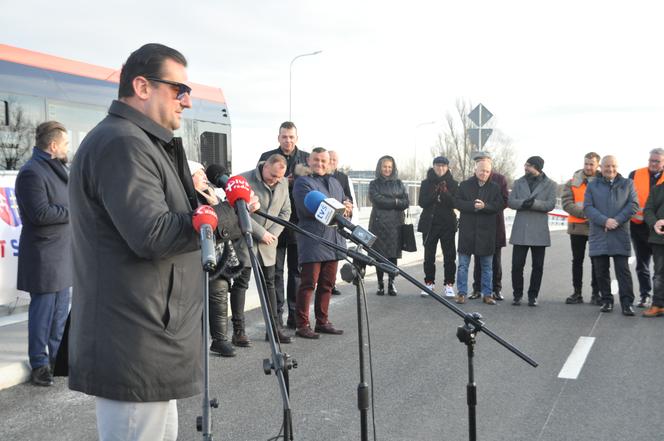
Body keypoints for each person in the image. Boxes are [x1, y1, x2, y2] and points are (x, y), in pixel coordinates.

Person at [68, 44, 250, 441]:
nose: (186, 100)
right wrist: (226, 219)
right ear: (142, 86)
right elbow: (151, 234)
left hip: (152, 334)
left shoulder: (144, 142)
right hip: (133, 339)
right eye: (178, 88)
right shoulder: (121, 143)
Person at [15, 121, 71, 387]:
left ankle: (57, 358)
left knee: (60, 313)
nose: (68, 148)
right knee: (43, 314)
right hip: (44, 256)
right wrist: (74, 212)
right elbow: (40, 214)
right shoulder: (31, 173)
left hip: (61, 254)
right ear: (53, 146)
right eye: (66, 143)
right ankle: (39, 364)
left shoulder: (59, 169)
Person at [292, 147, 349, 338]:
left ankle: (322, 322)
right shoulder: (302, 183)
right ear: (309, 161)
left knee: (328, 284)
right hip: (313, 240)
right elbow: (308, 209)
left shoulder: (335, 182)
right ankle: (302, 324)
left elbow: (342, 205)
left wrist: (347, 206)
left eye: (324, 161)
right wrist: (335, 208)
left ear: (329, 163)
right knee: (308, 284)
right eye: (316, 160)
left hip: (334, 240)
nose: (320, 164)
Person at [259, 122, 310, 329]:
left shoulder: (306, 159)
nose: (288, 140)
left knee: (297, 272)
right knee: (275, 272)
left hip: (298, 222)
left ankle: (295, 316)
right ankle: (276, 316)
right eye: (284, 137)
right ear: (278, 138)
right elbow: (259, 184)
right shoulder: (266, 157)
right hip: (274, 223)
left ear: (296, 138)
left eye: (291, 137)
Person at [239, 154, 293, 343]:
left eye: (280, 177)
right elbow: (238, 211)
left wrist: (273, 234)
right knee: (241, 284)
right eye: (273, 176)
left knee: (270, 283)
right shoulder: (243, 180)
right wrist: (260, 233)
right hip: (246, 238)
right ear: (265, 167)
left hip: (270, 242)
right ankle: (239, 332)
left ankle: (273, 329)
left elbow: (286, 211)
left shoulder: (283, 182)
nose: (276, 180)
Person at [188, 161, 237, 357]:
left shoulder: (213, 195)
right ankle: (195, 342)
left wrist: (219, 205)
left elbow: (229, 226)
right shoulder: (184, 197)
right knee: (193, 301)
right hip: (194, 256)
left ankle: (220, 339)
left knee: (219, 293)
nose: (205, 177)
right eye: (201, 174)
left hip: (218, 254)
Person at [584, 155, 638, 316]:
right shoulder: (593, 185)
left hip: (619, 232)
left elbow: (633, 205)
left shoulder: (628, 184)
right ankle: (606, 300)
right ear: (601, 167)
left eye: (613, 166)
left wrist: (616, 220)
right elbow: (587, 207)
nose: (610, 169)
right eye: (607, 166)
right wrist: (605, 221)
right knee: (601, 271)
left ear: (617, 166)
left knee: (623, 271)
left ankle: (627, 303)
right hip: (599, 233)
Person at [507, 156, 557, 307]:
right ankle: (517, 295)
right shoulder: (518, 182)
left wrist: (534, 203)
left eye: (528, 165)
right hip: (521, 229)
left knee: (538, 266)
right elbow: (510, 201)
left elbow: (550, 204)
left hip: (539, 231)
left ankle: (533, 295)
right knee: (517, 265)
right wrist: (523, 203)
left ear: (537, 167)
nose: (525, 167)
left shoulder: (550, 184)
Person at [453, 159, 504, 305]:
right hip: (467, 232)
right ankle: (461, 293)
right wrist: (473, 206)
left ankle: (487, 294)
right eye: (482, 170)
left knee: (487, 267)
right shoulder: (464, 185)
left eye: (487, 171)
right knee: (463, 265)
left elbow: (499, 205)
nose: (484, 173)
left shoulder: (495, 188)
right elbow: (457, 202)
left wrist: (485, 206)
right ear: (475, 170)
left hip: (486, 233)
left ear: (490, 173)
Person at [562, 152, 602, 305]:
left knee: (596, 261)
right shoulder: (572, 182)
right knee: (577, 260)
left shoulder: (603, 181)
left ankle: (595, 294)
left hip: (596, 227)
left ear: (597, 165)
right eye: (586, 163)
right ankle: (577, 293)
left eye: (591, 164)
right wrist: (585, 213)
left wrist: (594, 216)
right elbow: (566, 202)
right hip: (577, 227)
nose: (588, 167)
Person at [469, 151, 508, 300]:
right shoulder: (472, 180)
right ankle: (477, 289)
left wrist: (487, 207)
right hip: (477, 225)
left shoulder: (500, 179)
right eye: (478, 161)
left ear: (490, 162)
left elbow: (505, 201)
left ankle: (496, 289)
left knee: (495, 259)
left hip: (495, 223)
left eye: (484, 160)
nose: (482, 164)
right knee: (478, 258)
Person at [368, 155, 410, 296]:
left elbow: (406, 202)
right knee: (378, 255)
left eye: (390, 167)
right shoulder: (374, 184)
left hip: (395, 225)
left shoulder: (399, 183)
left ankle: (391, 283)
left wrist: (393, 201)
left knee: (393, 255)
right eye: (385, 166)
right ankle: (380, 284)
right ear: (380, 167)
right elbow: (377, 200)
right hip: (379, 224)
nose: (387, 169)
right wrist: (396, 202)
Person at [417, 156, 458, 297]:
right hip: (430, 224)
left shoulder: (453, 183)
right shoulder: (426, 183)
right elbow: (422, 202)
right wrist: (435, 193)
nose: (440, 168)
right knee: (429, 256)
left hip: (447, 224)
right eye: (438, 165)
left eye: (443, 166)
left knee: (449, 256)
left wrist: (445, 192)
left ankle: (449, 284)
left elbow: (454, 203)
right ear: (433, 166)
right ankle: (429, 283)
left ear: (447, 167)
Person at [628, 148, 664, 307]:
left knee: (660, 268)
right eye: (651, 160)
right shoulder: (634, 174)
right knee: (642, 264)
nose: (653, 164)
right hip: (639, 227)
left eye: (657, 161)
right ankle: (645, 295)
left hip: (661, 229)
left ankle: (659, 300)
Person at [328, 150, 355, 295]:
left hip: (338, 219)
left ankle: (331, 284)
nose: (332, 162)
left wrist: (348, 205)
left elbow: (348, 197)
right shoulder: (320, 176)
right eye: (330, 159)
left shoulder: (342, 177)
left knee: (335, 253)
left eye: (334, 160)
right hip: (324, 219)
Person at [642, 180, 664, 317]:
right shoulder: (657, 189)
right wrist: (655, 222)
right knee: (659, 274)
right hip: (659, 239)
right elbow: (648, 210)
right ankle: (658, 305)